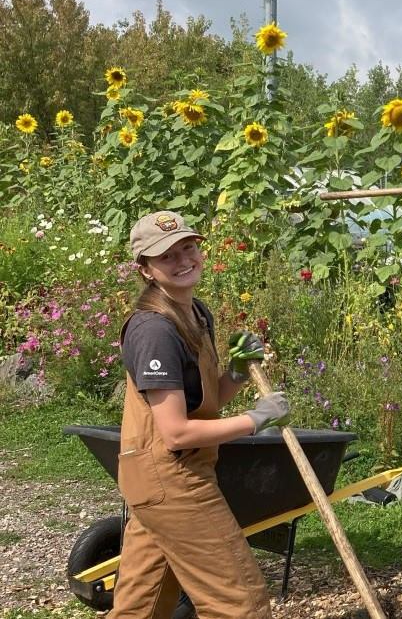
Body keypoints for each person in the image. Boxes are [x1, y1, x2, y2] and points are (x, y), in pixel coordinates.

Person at [110, 210, 291, 618]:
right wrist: (256, 420)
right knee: (238, 602)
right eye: (167, 256)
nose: (183, 260)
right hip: (173, 478)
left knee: (143, 603)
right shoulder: (154, 330)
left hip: (160, 479)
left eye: (188, 248)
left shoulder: (195, 314)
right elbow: (175, 432)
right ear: (146, 270)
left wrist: (236, 372)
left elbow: (204, 405)